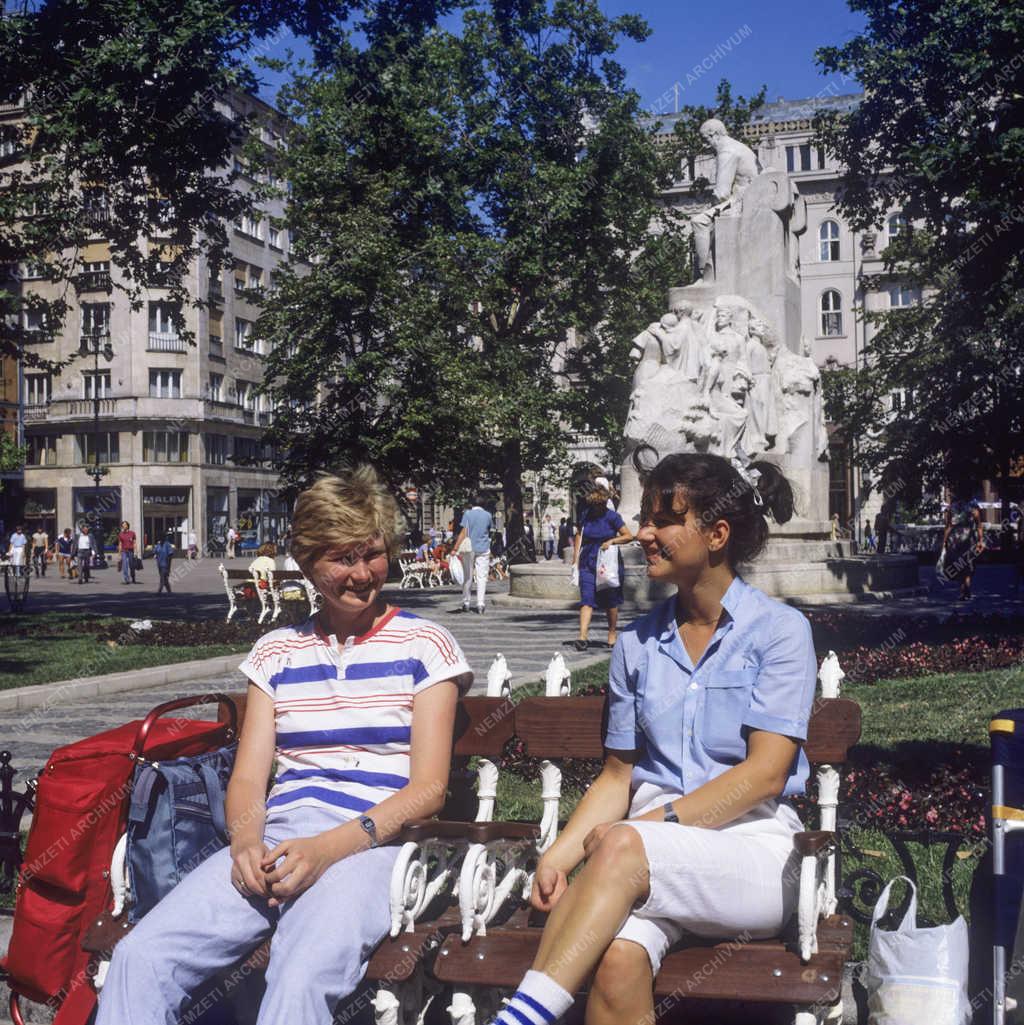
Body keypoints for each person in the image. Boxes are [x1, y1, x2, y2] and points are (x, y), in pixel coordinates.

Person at [96, 466, 472, 1025]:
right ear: (307, 561)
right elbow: (248, 779)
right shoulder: (277, 653)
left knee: (299, 974)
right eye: (342, 558)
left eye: (372, 553)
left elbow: (429, 790)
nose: (362, 573)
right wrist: (246, 843)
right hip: (277, 842)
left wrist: (329, 849)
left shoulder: (425, 645)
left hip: (376, 848)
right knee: (140, 956)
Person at [483, 451, 815, 1025]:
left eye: (662, 520)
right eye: (644, 518)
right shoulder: (637, 644)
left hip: (751, 851)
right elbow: (618, 776)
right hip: (642, 858)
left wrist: (642, 830)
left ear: (716, 534)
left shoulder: (779, 632)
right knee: (615, 960)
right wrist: (557, 857)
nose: (642, 534)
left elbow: (765, 773)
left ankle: (523, 1017)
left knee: (622, 848)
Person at [571, 483, 633, 651]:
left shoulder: (613, 517)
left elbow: (628, 536)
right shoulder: (586, 515)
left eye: (600, 504)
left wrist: (612, 541)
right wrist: (575, 558)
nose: (598, 508)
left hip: (607, 561)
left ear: (605, 503)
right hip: (588, 561)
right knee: (586, 598)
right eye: (595, 504)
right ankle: (582, 636)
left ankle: (612, 634)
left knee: (610, 600)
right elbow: (579, 535)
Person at [451, 494, 493, 614]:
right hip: (484, 548)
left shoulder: (468, 514)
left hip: (469, 548)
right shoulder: (488, 515)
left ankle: (466, 602)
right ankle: (480, 604)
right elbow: (489, 531)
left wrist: (455, 548)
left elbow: (464, 532)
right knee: (482, 577)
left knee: (468, 576)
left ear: (472, 504)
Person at [941, 496, 985, 601]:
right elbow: (979, 526)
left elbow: (948, 527)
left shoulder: (952, 508)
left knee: (962, 566)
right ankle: (965, 590)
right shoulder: (972, 508)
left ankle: (965, 590)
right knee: (966, 567)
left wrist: (944, 542)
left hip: (959, 541)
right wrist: (980, 540)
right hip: (964, 541)